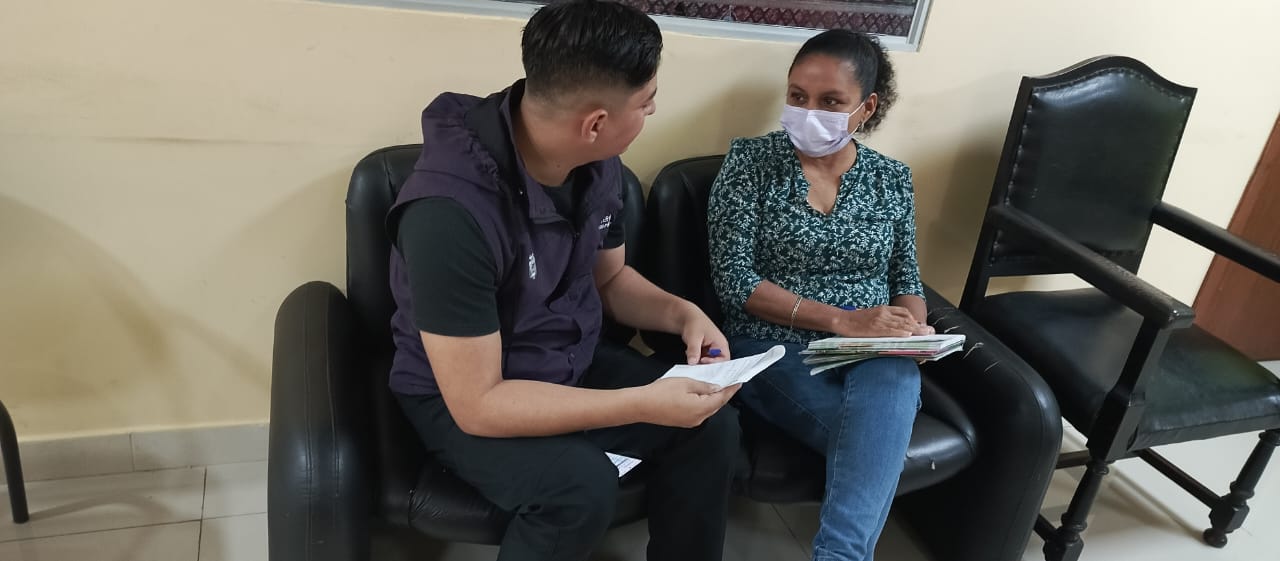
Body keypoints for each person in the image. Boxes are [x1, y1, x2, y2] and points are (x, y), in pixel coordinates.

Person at [386, 2, 742, 560]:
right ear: (595, 123)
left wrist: (684, 315)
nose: (652, 111)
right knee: (578, 488)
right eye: (646, 102)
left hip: (566, 356)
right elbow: (479, 403)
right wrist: (641, 402)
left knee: (712, 427)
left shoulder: (598, 164)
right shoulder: (449, 215)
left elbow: (610, 279)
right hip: (463, 393)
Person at [707, 29, 933, 561]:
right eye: (798, 96)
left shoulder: (892, 179)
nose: (809, 112)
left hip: (873, 347)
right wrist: (843, 320)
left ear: (866, 107)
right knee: (876, 439)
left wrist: (913, 328)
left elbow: (906, 276)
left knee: (895, 375)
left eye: (831, 102)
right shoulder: (749, 164)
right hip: (773, 344)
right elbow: (735, 281)